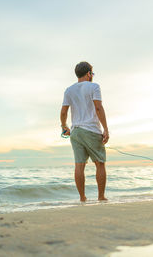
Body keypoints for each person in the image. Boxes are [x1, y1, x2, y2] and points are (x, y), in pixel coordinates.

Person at [60, 61, 109, 202]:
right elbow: (98, 108)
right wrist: (105, 129)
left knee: (79, 165)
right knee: (99, 163)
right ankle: (101, 197)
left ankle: (82, 198)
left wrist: (64, 126)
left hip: (75, 131)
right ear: (88, 73)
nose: (92, 76)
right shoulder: (94, 86)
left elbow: (64, 111)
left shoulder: (69, 90)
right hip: (91, 129)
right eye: (91, 73)